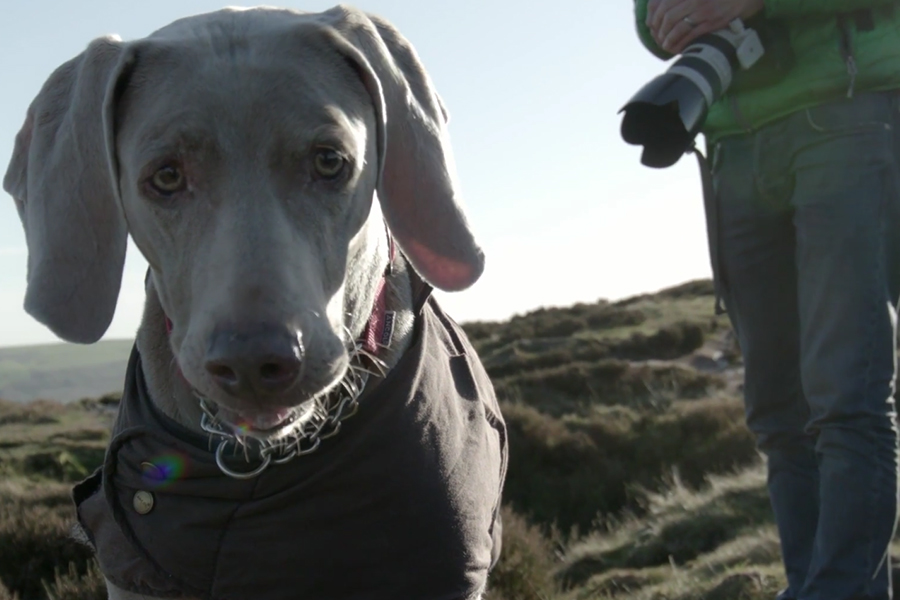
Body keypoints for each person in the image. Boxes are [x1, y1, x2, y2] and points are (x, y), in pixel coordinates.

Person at [632, 1, 900, 599]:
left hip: (847, 116)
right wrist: (667, 21)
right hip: (733, 145)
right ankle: (813, 585)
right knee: (778, 411)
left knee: (846, 395)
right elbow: (646, 15)